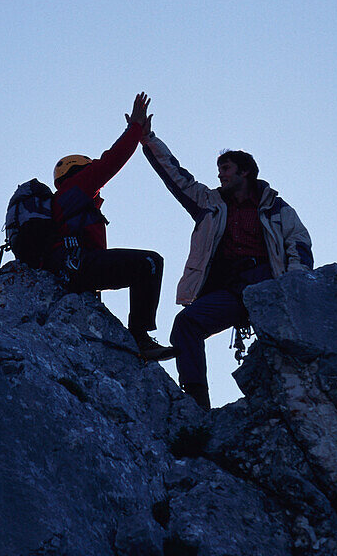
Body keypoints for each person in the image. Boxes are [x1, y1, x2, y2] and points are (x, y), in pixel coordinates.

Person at [140, 117, 313, 407]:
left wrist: (293, 286)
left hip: (269, 285)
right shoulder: (209, 203)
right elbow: (177, 176)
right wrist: (148, 139)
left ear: (244, 172)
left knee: (286, 345)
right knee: (187, 323)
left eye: (226, 169)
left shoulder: (276, 208)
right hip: (231, 289)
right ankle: (197, 401)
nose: (220, 175)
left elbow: (299, 243)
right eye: (219, 170)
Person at [49, 93, 174, 361]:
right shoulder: (77, 187)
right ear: (80, 170)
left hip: (71, 268)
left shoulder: (67, 201)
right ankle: (140, 338)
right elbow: (111, 161)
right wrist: (135, 129)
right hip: (78, 265)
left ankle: (136, 339)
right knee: (150, 263)